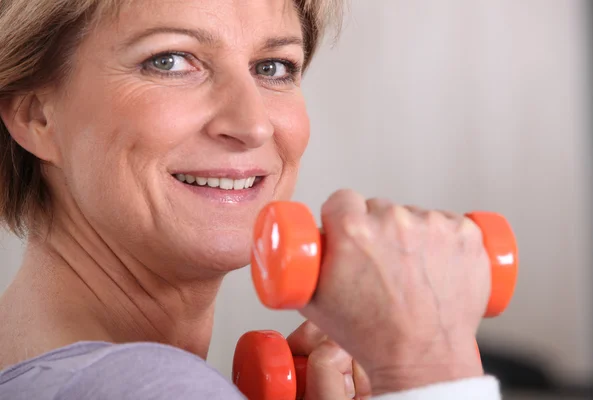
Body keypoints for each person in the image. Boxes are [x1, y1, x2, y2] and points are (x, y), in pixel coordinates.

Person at [0, 0, 502, 398]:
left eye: (273, 67)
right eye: (171, 61)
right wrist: (428, 368)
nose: (252, 123)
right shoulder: (145, 385)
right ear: (35, 116)